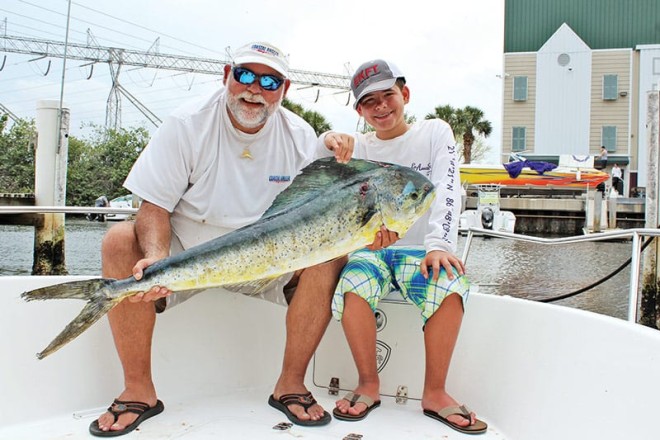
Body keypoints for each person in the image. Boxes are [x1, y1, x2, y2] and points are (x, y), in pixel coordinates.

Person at [89, 41, 363, 436]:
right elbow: (153, 207)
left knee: (329, 256)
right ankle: (138, 390)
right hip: (188, 251)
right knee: (118, 239)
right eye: (246, 76)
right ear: (226, 77)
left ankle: (290, 384)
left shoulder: (300, 136)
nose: (255, 89)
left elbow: (321, 209)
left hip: (268, 260)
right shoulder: (186, 124)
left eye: (270, 81)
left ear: (284, 91)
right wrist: (155, 257)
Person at [323, 59, 487, 434]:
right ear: (359, 111)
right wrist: (329, 138)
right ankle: (368, 383)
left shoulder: (434, 132)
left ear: (405, 94)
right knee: (353, 286)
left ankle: (435, 392)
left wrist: (439, 245)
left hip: (423, 252)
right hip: (373, 251)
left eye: (388, 95)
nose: (381, 107)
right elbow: (320, 162)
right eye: (369, 102)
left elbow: (447, 188)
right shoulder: (357, 148)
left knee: (449, 284)